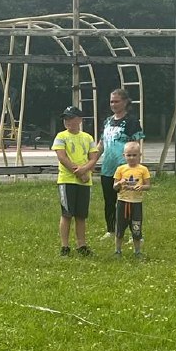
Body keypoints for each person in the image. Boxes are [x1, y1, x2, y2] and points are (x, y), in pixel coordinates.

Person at [95, 88, 144, 240]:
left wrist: (135, 167)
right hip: (108, 168)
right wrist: (90, 163)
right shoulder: (108, 121)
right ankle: (111, 230)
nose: (113, 104)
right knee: (109, 201)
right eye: (111, 101)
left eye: (117, 101)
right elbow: (101, 144)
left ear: (125, 102)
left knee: (128, 201)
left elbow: (135, 145)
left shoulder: (131, 121)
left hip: (125, 168)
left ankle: (133, 233)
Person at [51, 105, 99, 257]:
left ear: (79, 120)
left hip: (85, 181)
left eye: (70, 118)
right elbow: (62, 157)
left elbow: (93, 157)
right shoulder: (61, 136)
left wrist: (86, 170)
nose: (67, 121)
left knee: (81, 215)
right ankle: (65, 246)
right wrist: (78, 171)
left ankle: (81, 244)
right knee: (67, 214)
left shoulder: (87, 137)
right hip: (67, 179)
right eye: (65, 119)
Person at [113, 141, 150, 257]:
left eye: (135, 155)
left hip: (136, 203)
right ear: (124, 155)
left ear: (140, 155)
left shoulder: (143, 169)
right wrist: (119, 183)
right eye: (129, 155)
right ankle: (118, 250)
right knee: (120, 227)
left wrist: (142, 186)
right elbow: (114, 187)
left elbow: (148, 185)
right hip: (122, 202)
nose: (132, 158)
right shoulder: (120, 169)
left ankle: (137, 251)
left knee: (136, 227)